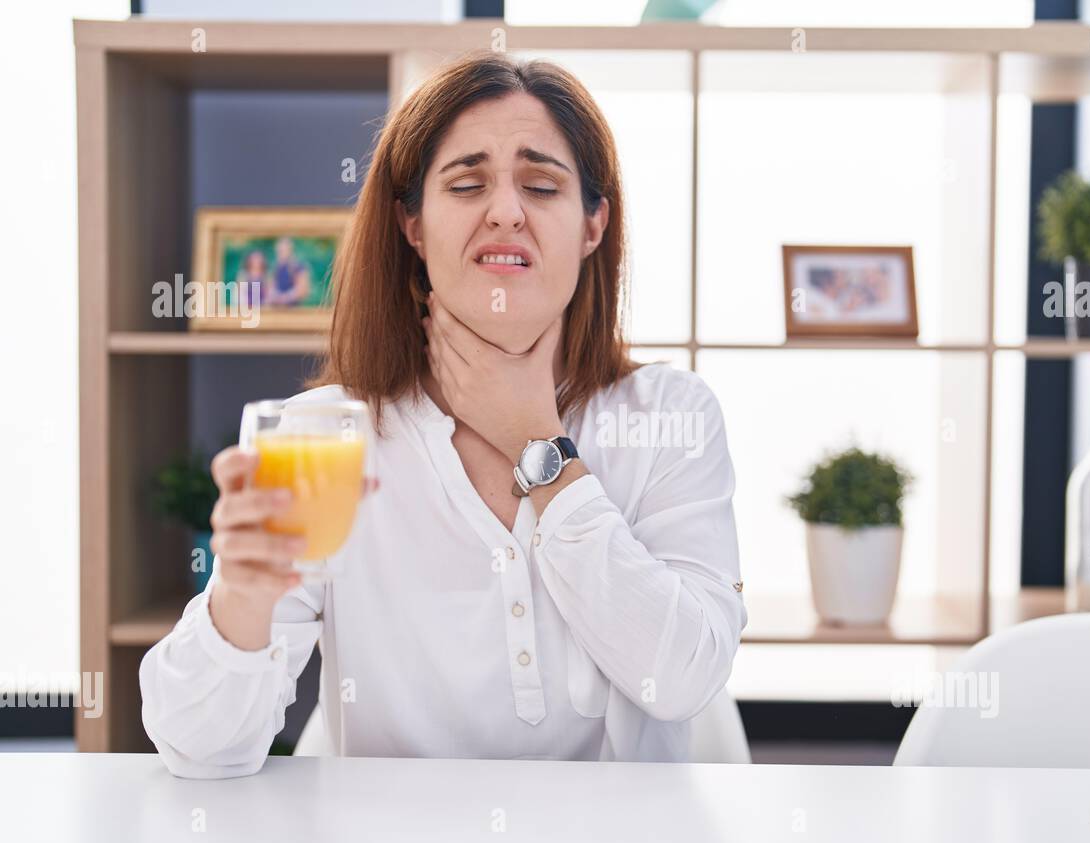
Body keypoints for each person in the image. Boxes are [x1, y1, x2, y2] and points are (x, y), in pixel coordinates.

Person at [139, 50, 748, 778]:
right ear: (413, 226)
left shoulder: (670, 417)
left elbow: (682, 679)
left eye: (542, 185)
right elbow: (197, 754)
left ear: (593, 226)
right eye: (466, 184)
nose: (505, 212)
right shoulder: (323, 436)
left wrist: (536, 442)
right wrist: (241, 594)